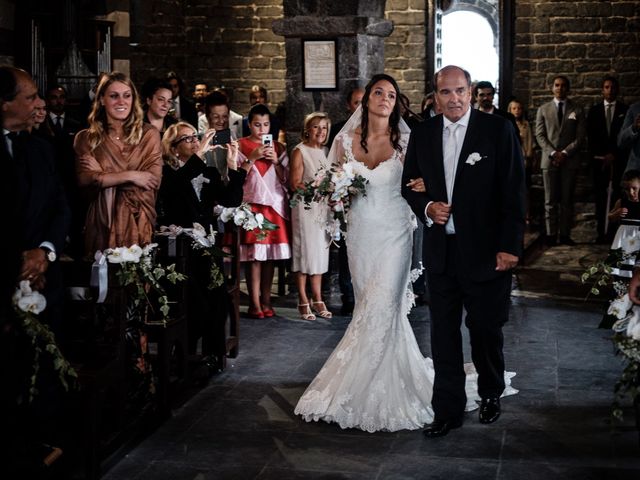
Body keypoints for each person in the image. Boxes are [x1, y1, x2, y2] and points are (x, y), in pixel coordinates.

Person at [295, 73, 510, 433]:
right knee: (373, 307)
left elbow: (431, 176)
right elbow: (332, 183)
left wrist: (430, 187)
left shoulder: (409, 138)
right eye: (377, 93)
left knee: (386, 305)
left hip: (395, 233)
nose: (383, 99)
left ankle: (388, 386)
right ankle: (383, 384)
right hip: (362, 234)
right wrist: (336, 192)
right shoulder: (349, 139)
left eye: (391, 94)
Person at [402, 65, 524, 438]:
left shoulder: (498, 130)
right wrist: (427, 207)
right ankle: (448, 409)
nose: (453, 99)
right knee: (443, 334)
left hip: (488, 252)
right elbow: (410, 186)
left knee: (486, 329)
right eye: (445, 92)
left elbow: (514, 191)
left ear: (471, 92)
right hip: (441, 252)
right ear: (435, 95)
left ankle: (490, 394)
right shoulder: (422, 134)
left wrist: (509, 248)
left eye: (459, 91)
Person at [158, 122, 250, 363]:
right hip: (179, 251)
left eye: (195, 137)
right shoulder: (167, 173)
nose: (195, 141)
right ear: (173, 147)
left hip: (207, 248)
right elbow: (178, 186)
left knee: (218, 299)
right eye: (187, 139)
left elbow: (230, 200)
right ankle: (185, 352)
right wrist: (199, 156)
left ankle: (213, 353)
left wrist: (232, 167)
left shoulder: (206, 171)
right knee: (196, 303)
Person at [74, 71, 163, 256]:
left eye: (127, 96)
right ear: (101, 100)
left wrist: (103, 175)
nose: (121, 102)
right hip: (101, 221)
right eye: (114, 96)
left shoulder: (149, 134)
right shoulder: (86, 138)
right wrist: (132, 176)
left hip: (139, 222)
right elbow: (84, 181)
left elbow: (153, 181)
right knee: (103, 279)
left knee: (136, 280)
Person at [237, 103, 291, 318]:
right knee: (255, 257)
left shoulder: (278, 147)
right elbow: (235, 176)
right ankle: (254, 302)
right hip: (252, 205)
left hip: (274, 205)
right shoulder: (240, 145)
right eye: (257, 125)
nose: (262, 130)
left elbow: (286, 178)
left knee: (270, 257)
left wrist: (276, 162)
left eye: (266, 125)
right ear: (249, 124)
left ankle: (267, 300)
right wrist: (254, 156)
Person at [289, 112, 332, 321]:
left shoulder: (326, 151)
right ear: (308, 129)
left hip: (322, 208)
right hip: (305, 207)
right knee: (304, 251)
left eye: (324, 127)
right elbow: (295, 182)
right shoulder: (300, 151)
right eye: (316, 127)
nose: (321, 131)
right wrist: (315, 187)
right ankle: (303, 298)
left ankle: (318, 297)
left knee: (320, 252)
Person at [535, 75, 586, 246]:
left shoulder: (577, 109)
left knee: (566, 200)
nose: (560, 88)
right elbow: (540, 135)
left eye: (563, 85)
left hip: (569, 161)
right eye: (557, 85)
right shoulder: (543, 109)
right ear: (552, 88)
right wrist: (552, 153)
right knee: (549, 200)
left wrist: (564, 153)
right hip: (549, 161)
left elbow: (580, 137)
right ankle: (550, 235)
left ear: (568, 88)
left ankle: (564, 235)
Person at [327, 85, 365, 315]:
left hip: (370, 199)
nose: (360, 107)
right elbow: (333, 165)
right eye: (356, 102)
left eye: (364, 102)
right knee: (346, 249)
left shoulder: (376, 130)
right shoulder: (340, 131)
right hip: (346, 198)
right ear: (349, 105)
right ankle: (348, 294)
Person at [587, 75, 629, 244]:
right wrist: (602, 155)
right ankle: (601, 233)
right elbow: (591, 136)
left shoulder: (625, 111)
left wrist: (614, 154)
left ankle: (614, 233)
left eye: (612, 87)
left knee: (617, 198)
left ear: (617, 90)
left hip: (618, 162)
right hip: (599, 162)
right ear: (602, 90)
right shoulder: (595, 111)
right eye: (606, 87)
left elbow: (625, 136)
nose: (609, 90)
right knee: (600, 197)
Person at [600, 170, 640, 329]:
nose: (632, 193)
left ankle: (631, 302)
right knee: (620, 271)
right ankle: (616, 301)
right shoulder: (622, 201)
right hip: (623, 240)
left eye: (635, 188)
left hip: (637, 240)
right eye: (628, 189)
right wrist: (616, 214)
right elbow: (609, 217)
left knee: (634, 270)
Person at [508, 99, 535, 224]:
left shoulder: (526, 125)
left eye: (519, 108)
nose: (517, 111)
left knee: (525, 189)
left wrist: (527, 156)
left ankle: (527, 215)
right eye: (514, 108)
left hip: (523, 161)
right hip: (510, 162)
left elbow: (529, 142)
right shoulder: (507, 124)